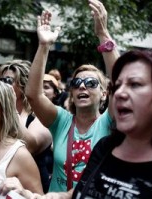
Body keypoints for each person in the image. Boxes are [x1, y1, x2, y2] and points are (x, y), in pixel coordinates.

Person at [25, 0, 119, 192]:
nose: (82, 86)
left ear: (103, 94)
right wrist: (43, 46)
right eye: (76, 83)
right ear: (72, 93)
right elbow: (33, 95)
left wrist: (103, 34)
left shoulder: (109, 121)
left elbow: (120, 80)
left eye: (91, 83)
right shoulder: (61, 121)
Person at [0, 60, 53, 193]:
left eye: (8, 81)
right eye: (0, 81)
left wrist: (9, 109)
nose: (2, 85)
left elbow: (31, 146)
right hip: (2, 182)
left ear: (23, 85)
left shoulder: (41, 115)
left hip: (31, 188)